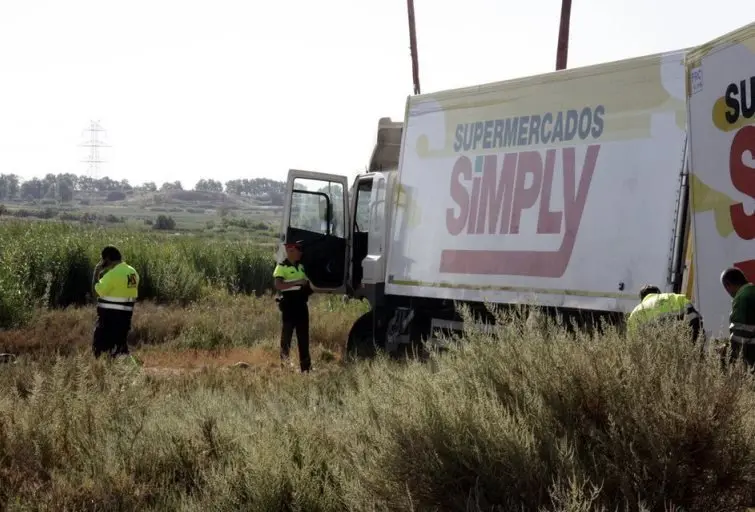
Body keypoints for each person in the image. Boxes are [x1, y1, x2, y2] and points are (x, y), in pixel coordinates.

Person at [91, 245, 139, 358]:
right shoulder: (133, 272)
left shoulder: (112, 275)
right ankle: (127, 370)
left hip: (109, 319)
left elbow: (95, 292)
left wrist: (96, 273)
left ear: (106, 259)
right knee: (120, 348)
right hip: (125, 318)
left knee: (99, 349)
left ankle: (103, 371)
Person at [273, 240, 312, 373]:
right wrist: (297, 282)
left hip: (301, 306)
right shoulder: (281, 267)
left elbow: (306, 283)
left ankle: (306, 369)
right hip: (289, 306)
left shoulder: (301, 267)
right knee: (287, 338)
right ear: (290, 251)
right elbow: (278, 285)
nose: (301, 253)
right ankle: (285, 367)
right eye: (298, 250)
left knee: (304, 338)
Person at [627, 284, 703, 342]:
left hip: (655, 348)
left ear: (642, 299)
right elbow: (694, 317)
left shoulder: (635, 313)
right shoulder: (673, 297)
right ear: (659, 293)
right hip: (681, 339)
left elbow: (632, 340)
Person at [720, 267, 755, 368]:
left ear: (728, 285)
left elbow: (739, 336)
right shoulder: (752, 291)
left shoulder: (741, 298)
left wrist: (727, 351)